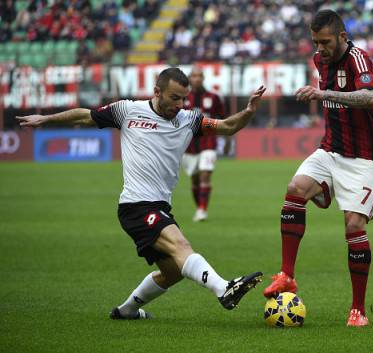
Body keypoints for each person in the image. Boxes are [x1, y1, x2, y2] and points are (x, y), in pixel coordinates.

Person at [17, 68, 266, 319]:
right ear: (157, 92)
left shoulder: (189, 120)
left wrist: (249, 111)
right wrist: (45, 119)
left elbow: (228, 126)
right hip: (136, 206)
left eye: (183, 98)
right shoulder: (127, 110)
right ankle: (223, 288)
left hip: (159, 207)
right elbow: (85, 116)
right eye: (174, 97)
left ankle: (127, 311)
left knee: (173, 272)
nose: (180, 104)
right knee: (181, 246)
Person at [263, 10, 373, 327]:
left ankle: (358, 310)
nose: (320, 49)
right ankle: (287, 275)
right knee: (295, 189)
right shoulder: (320, 61)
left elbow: (370, 98)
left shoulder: (359, 60)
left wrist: (323, 94)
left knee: (353, 227)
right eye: (316, 42)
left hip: (364, 157)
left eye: (326, 42)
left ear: (343, 37)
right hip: (331, 148)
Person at [181, 66, 228, 222]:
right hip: (187, 146)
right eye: (194, 76)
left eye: (200, 75)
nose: (198, 78)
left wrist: (227, 140)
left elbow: (224, 119)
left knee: (205, 175)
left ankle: (202, 210)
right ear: (189, 78)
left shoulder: (213, 97)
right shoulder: (182, 98)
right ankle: (200, 207)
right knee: (194, 180)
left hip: (209, 143)